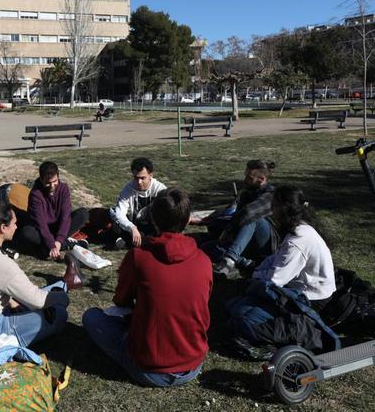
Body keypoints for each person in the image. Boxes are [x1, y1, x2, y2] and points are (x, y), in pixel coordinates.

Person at [83, 189, 211, 387]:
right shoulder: (204, 261)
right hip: (193, 364)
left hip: (148, 367)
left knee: (91, 316)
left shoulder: (139, 257)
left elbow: (121, 300)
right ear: (187, 221)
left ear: (153, 219)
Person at [225, 186, 337, 356]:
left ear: (285, 209)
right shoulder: (296, 229)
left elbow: (275, 280)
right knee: (233, 306)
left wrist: (255, 275)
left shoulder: (298, 240)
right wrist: (257, 270)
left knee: (242, 317)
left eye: (275, 205)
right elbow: (275, 259)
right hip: (296, 288)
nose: (271, 209)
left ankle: (284, 337)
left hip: (312, 298)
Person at [0, 198, 70, 347]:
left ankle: (64, 284)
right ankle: (65, 287)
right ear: (3, 228)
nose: (16, 226)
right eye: (14, 223)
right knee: (59, 313)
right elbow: (37, 300)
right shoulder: (1, 263)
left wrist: (12, 302)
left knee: (46, 294)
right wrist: (63, 298)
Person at [199, 160, 277, 277]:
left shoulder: (271, 194)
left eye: (249, 178)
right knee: (207, 247)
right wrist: (208, 221)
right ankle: (246, 263)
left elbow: (248, 213)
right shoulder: (246, 194)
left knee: (252, 218)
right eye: (246, 175)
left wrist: (228, 231)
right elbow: (233, 215)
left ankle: (229, 260)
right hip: (245, 241)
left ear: (262, 179)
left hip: (265, 242)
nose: (245, 180)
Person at [15, 161, 90, 259]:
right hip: (41, 230)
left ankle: (50, 248)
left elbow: (65, 216)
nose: (52, 186)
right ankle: (64, 244)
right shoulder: (35, 194)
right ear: (41, 179)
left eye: (55, 181)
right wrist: (51, 244)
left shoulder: (64, 189)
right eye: (48, 183)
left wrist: (58, 241)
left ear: (58, 176)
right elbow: (40, 223)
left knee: (82, 214)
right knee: (27, 232)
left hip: (58, 227)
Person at [109, 157, 167, 248]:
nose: (139, 182)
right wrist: (132, 227)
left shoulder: (160, 189)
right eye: (136, 178)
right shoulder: (128, 189)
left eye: (143, 178)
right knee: (117, 224)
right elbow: (120, 213)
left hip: (154, 226)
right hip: (135, 225)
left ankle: (126, 241)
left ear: (151, 175)